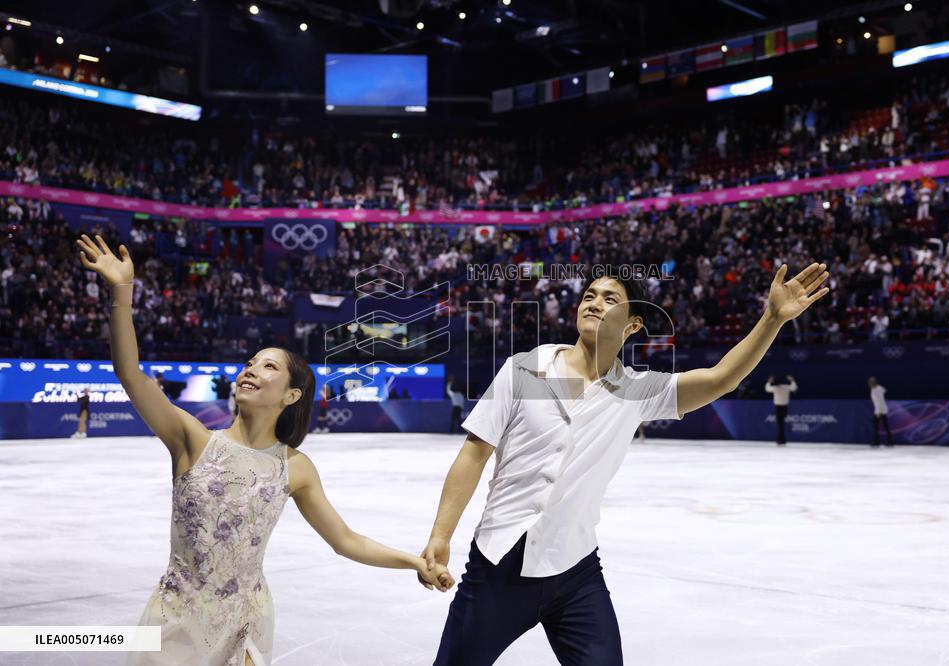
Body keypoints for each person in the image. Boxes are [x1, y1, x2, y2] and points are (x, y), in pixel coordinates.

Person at [421, 262, 829, 665]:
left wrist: (772, 319)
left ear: (633, 325)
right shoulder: (523, 368)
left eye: (610, 299)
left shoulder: (637, 390)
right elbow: (475, 451)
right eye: (589, 296)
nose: (594, 303)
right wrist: (441, 534)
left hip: (574, 573)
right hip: (498, 568)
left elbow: (719, 378)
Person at [76, 234, 454, 666]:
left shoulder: (296, 467)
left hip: (247, 622)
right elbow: (130, 374)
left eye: (268, 366)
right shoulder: (192, 440)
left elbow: (346, 540)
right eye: (250, 363)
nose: (251, 370)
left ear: (291, 395)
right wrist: (122, 292)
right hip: (176, 622)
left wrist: (413, 562)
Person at [765, 375, 797, 446]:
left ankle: (781, 440)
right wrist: (792, 380)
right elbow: (794, 387)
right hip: (784, 407)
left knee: (780, 424)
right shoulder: (786, 387)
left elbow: (767, 388)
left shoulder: (775, 388)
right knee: (781, 424)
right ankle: (781, 440)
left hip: (779, 407)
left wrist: (769, 381)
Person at [868, 377, 893, 448]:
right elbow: (884, 390)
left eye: (870, 383)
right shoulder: (880, 388)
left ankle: (876, 442)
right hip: (884, 409)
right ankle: (890, 442)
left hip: (878, 410)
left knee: (875, 427)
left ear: (872, 383)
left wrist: (878, 412)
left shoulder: (874, 391)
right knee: (886, 426)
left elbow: (877, 402)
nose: (869, 384)